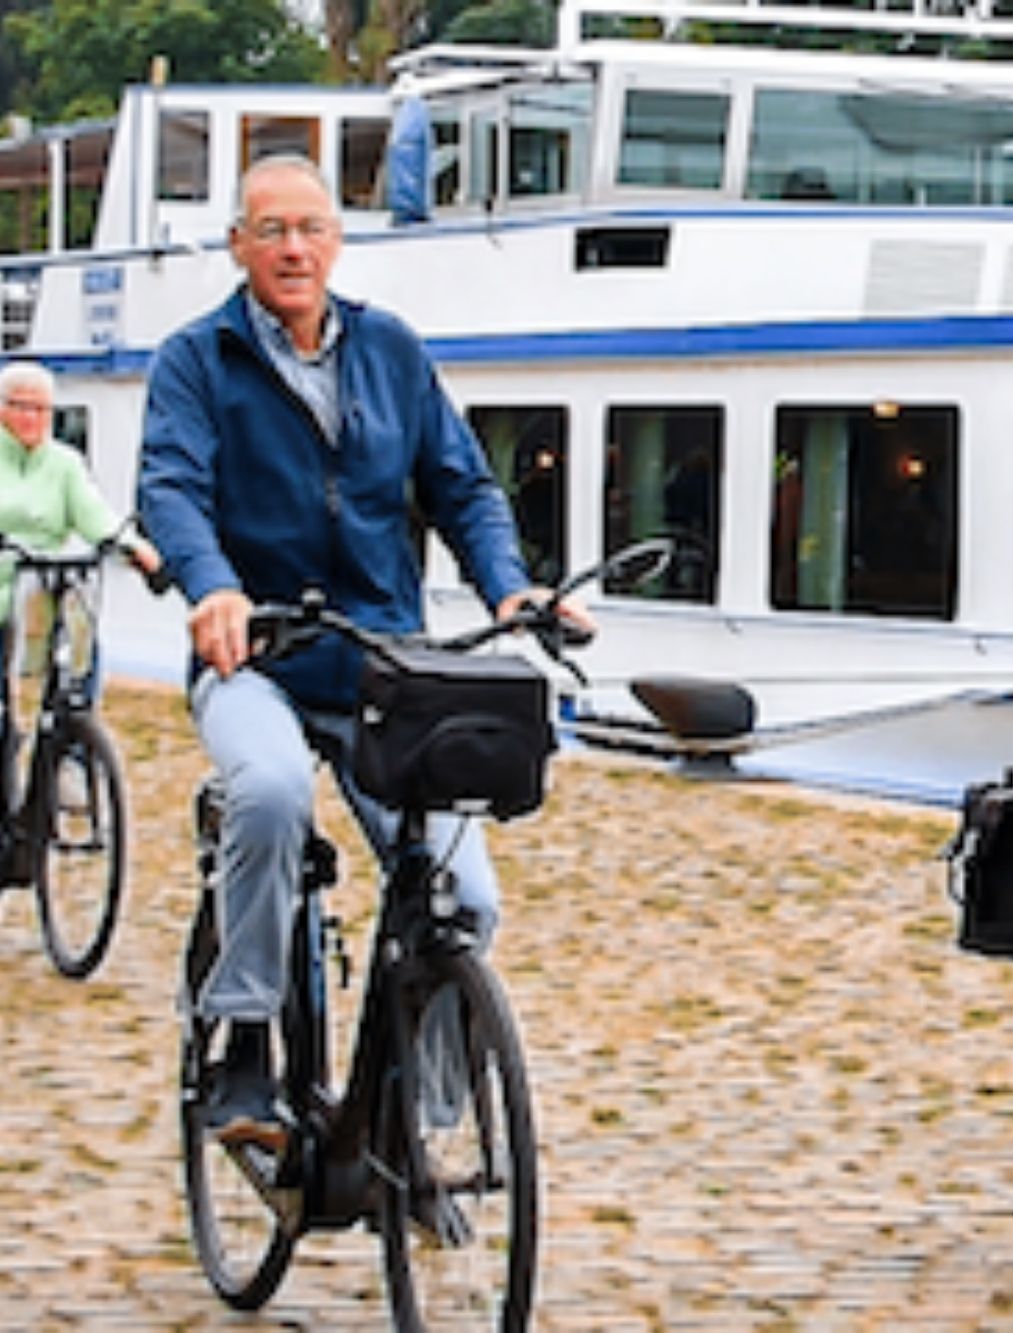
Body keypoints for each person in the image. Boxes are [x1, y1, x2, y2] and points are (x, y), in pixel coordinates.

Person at [137, 154, 590, 1152]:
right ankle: (244, 1036)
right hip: (254, 656)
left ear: (336, 240)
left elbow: (461, 486)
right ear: (239, 245)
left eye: (310, 228)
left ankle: (413, 1129)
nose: (293, 248)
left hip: (383, 666)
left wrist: (509, 586)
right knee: (267, 795)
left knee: (464, 898)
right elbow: (170, 487)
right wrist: (213, 586)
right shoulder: (195, 360)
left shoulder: (389, 347)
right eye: (271, 230)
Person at [0, 360, 163, 808]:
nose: (33, 418)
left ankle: (71, 752)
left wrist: (133, 548)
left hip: (43, 591)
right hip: (2, 590)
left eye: (43, 409)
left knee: (81, 637)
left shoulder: (64, 463)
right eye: (22, 407)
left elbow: (95, 515)